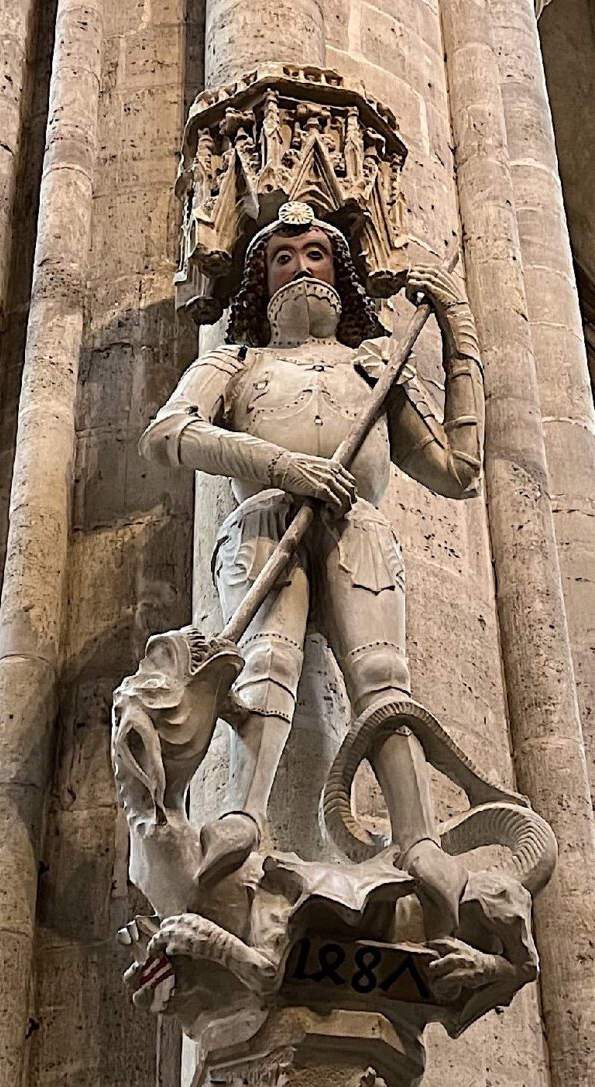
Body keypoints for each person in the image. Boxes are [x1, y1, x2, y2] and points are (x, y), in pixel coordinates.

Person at [140, 202, 485, 941]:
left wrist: (458, 330)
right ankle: (242, 813)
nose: (302, 265)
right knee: (265, 662)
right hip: (270, 515)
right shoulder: (236, 361)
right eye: (283, 256)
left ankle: (417, 835)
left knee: (383, 675)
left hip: (355, 521)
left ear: (342, 272)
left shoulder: (374, 366)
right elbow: (169, 432)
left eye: (318, 253)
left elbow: (459, 471)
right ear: (260, 283)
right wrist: (281, 465)